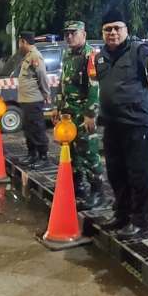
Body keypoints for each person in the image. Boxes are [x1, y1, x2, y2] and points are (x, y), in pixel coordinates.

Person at [95, 9, 148, 240]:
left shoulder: (140, 51)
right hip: (112, 124)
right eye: (107, 29)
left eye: (117, 28)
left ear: (126, 30)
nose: (112, 33)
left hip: (136, 125)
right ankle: (121, 214)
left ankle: (139, 220)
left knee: (139, 174)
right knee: (116, 173)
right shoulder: (99, 57)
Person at [55, 20, 104, 210]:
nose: (69, 37)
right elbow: (62, 83)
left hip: (84, 113)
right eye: (67, 33)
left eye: (73, 33)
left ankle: (98, 191)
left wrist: (90, 114)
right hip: (68, 112)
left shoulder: (90, 55)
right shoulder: (67, 54)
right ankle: (78, 187)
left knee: (89, 152)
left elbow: (95, 87)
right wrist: (58, 108)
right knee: (72, 152)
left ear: (83, 34)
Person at [17, 31, 51, 169]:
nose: (19, 45)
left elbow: (42, 75)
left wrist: (46, 93)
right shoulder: (28, 56)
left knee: (37, 129)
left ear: (24, 42)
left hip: (33, 100)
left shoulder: (35, 56)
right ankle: (32, 154)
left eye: (20, 42)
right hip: (26, 100)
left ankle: (43, 157)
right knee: (28, 129)